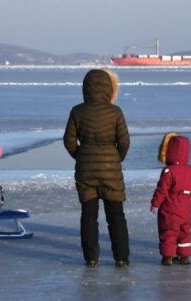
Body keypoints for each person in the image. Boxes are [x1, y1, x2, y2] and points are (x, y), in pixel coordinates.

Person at [63, 69, 130, 268]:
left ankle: (91, 257)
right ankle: (121, 256)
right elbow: (124, 141)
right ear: (109, 88)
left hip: (86, 171)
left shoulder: (77, 111)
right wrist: (117, 158)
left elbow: (68, 141)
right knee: (116, 214)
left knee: (89, 215)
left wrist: (81, 156)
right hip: (111, 170)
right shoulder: (115, 112)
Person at [150, 132, 191, 265]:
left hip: (170, 209)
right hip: (187, 210)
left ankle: (168, 257)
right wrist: (188, 203)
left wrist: (155, 203)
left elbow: (162, 190)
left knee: (169, 232)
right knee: (184, 233)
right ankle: (184, 256)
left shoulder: (169, 171)